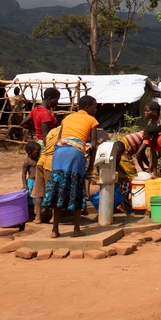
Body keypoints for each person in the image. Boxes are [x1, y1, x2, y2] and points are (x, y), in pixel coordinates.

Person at [42, 95, 100, 238]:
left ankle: (55, 230)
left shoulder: (67, 118)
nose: (96, 109)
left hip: (59, 153)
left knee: (58, 188)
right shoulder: (92, 120)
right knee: (76, 189)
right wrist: (90, 167)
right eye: (95, 107)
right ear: (87, 108)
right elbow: (93, 145)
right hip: (75, 155)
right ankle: (76, 229)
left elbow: (60, 138)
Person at [110, 130, 147, 215]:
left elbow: (142, 153)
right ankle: (122, 204)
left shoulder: (146, 133)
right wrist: (144, 168)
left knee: (125, 177)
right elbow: (139, 154)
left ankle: (121, 203)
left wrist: (146, 167)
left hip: (122, 146)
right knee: (129, 176)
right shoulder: (147, 137)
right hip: (123, 148)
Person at [31, 125, 60, 224]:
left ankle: (38, 217)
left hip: (42, 160)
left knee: (39, 191)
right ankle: (53, 218)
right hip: (51, 162)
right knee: (52, 190)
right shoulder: (66, 131)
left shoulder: (52, 131)